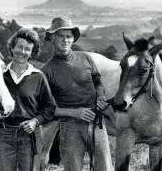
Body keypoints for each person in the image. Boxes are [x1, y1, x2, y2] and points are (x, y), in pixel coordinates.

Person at [41, 17, 113, 171]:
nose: (65, 40)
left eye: (68, 36)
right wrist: (76, 113)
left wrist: (101, 96)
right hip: (69, 129)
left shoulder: (86, 58)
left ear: (73, 39)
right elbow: (46, 109)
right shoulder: (46, 71)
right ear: (52, 38)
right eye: (60, 36)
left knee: (105, 168)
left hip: (96, 124)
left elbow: (98, 81)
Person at [0, 28, 56, 171]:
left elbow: (50, 108)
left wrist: (36, 121)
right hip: (4, 135)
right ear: (12, 47)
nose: (22, 52)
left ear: (32, 52)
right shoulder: (1, 75)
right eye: (19, 47)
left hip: (29, 136)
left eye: (27, 49)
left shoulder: (38, 76)